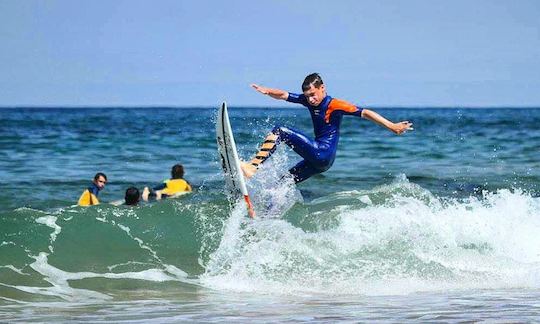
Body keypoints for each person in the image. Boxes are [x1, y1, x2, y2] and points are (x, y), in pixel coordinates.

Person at [241, 73, 413, 183]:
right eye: (307, 96)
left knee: (279, 131)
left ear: (322, 88)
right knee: (283, 182)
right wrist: (266, 91)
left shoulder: (335, 104)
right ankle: (267, 216)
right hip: (322, 163)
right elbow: (284, 95)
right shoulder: (308, 100)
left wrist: (392, 126)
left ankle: (252, 167)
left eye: (313, 95)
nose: (310, 100)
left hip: (321, 153)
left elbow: (365, 112)